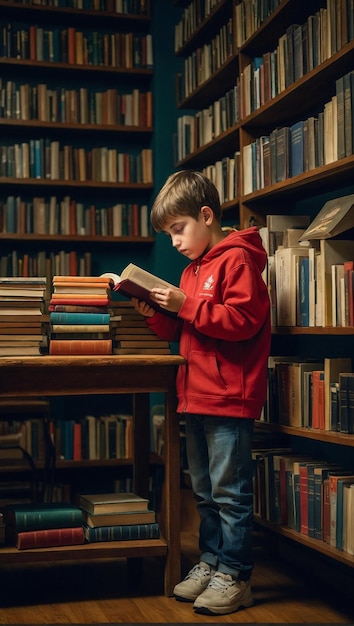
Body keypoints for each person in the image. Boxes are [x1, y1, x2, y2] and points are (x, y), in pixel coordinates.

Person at [132, 170, 271, 616]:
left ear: (206, 216)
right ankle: (211, 562)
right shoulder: (193, 271)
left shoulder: (238, 261)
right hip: (194, 396)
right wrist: (156, 312)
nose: (173, 241)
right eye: (168, 233)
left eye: (178, 229)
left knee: (231, 493)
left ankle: (236, 574)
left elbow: (242, 321)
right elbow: (186, 327)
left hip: (229, 397)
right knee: (206, 492)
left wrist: (185, 305)